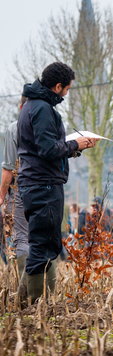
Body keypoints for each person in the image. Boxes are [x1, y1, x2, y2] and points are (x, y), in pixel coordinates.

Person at [17, 62, 97, 303]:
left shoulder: (30, 105)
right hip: (44, 185)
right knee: (43, 246)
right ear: (58, 86)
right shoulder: (42, 109)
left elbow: (43, 146)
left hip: (36, 182)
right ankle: (32, 304)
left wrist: (71, 150)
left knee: (45, 243)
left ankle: (25, 301)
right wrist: (76, 144)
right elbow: (47, 149)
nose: (67, 94)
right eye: (67, 89)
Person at [0, 96, 29, 292]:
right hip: (49, 190)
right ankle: (42, 290)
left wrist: (2, 195)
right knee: (42, 239)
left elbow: (9, 169)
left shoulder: (14, 128)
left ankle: (25, 289)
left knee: (22, 238)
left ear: (21, 106)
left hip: (21, 190)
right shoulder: (53, 122)